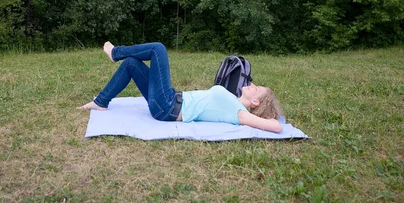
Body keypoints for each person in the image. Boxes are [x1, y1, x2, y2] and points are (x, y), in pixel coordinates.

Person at [79, 42, 284, 133]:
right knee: (132, 64)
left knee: (158, 49)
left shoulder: (239, 113)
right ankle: (101, 102)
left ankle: (116, 52)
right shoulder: (233, 100)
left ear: (255, 102)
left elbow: (276, 126)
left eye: (257, 88)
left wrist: (267, 115)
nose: (252, 84)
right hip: (170, 99)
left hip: (167, 106)